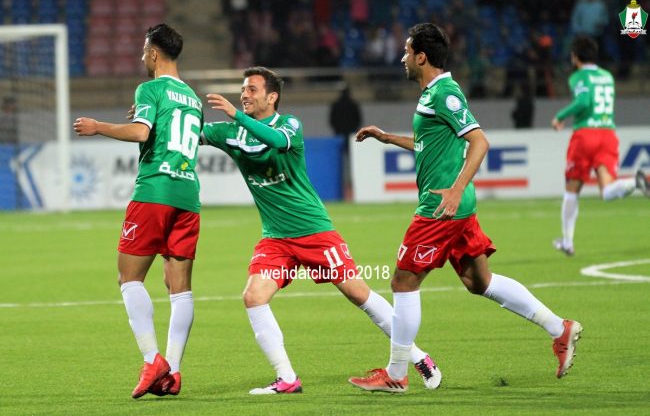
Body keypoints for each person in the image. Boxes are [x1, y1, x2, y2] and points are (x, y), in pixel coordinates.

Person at [348, 23, 583, 394]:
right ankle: (560, 328)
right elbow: (429, 144)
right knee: (480, 282)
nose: (403, 58)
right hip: (455, 209)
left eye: (407, 51)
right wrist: (387, 137)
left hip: (440, 208)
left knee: (403, 282)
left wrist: (456, 190)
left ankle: (396, 373)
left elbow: (479, 141)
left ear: (421, 57)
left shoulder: (445, 93)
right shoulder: (431, 94)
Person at [201, 66, 441, 395]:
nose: (244, 95)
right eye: (243, 89)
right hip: (276, 239)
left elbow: (277, 142)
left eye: (252, 89)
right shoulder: (229, 132)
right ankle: (286, 378)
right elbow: (185, 133)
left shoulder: (289, 125)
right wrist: (154, 120)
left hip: (314, 231)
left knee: (359, 294)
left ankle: (417, 356)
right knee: (253, 297)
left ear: (272, 97)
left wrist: (236, 116)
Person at [73, 24, 202, 399]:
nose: (142, 57)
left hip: (154, 191)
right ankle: (173, 372)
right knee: (179, 288)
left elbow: (142, 133)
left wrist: (98, 126)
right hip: (188, 195)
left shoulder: (150, 88)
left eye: (144, 51)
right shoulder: (192, 98)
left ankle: (152, 360)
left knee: (129, 279)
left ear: (155, 53)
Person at [551, 36, 650, 256]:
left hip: (586, 135)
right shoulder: (607, 76)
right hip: (608, 134)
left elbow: (583, 101)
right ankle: (635, 181)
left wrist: (560, 116)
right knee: (607, 191)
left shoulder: (577, 76)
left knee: (572, 190)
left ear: (575, 56)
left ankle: (567, 242)